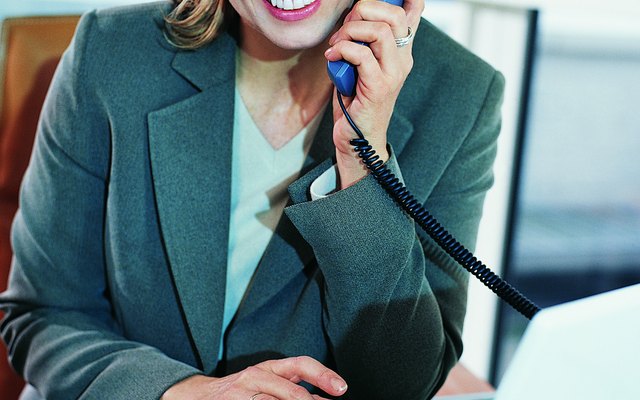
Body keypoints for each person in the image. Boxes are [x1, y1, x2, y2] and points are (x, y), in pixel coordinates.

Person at [0, 0, 505, 398]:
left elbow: (402, 386)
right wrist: (183, 393)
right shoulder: (110, 53)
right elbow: (42, 315)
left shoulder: (462, 96)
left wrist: (362, 157)